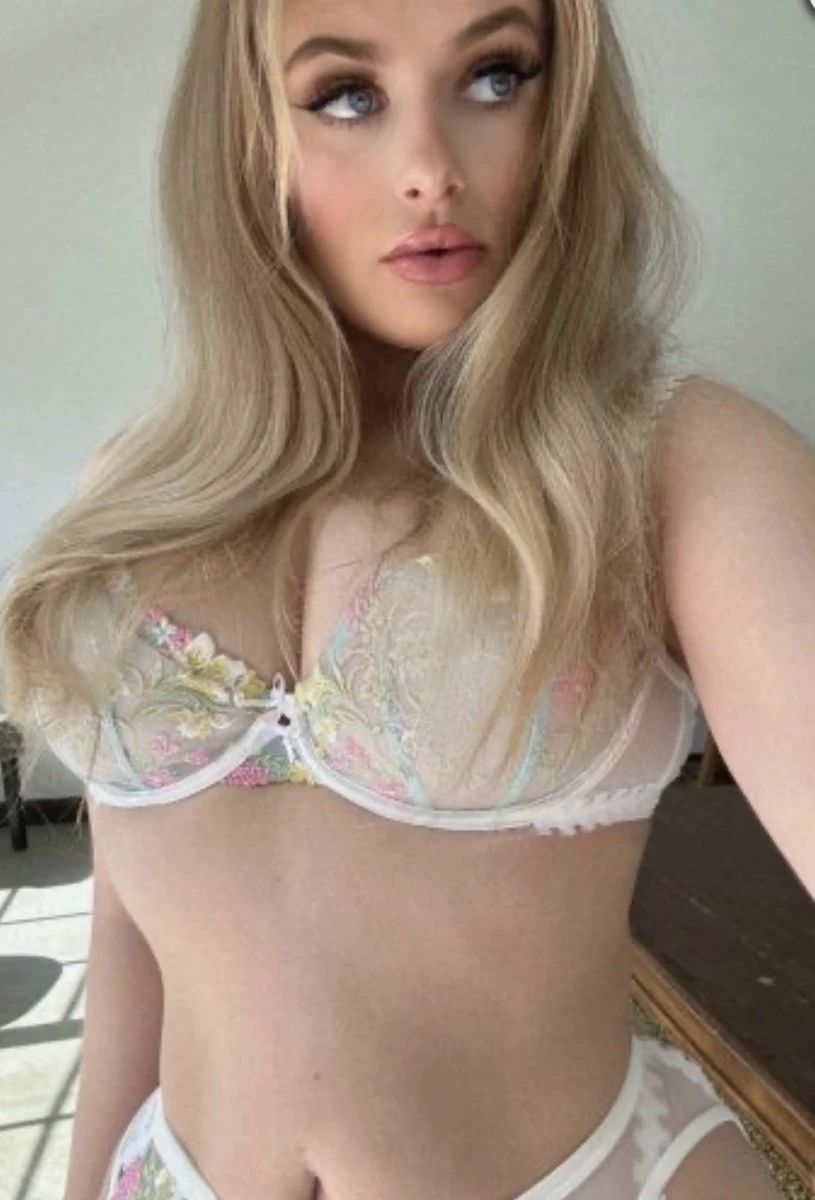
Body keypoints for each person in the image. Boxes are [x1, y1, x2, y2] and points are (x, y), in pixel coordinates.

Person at [2, 1, 813, 1198]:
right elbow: (137, 920)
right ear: (245, 131)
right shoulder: (137, 488)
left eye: (494, 77)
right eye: (346, 94)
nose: (430, 169)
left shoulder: (672, 466)